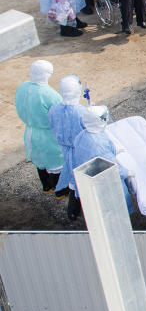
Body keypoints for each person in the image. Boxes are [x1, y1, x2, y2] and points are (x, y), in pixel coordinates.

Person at [15, 60, 67, 196]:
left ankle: (46, 187)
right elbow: (60, 114)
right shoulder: (49, 94)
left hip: (31, 131)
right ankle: (60, 191)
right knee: (56, 162)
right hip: (48, 134)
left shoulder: (23, 87)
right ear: (46, 74)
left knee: (40, 161)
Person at [72, 105, 134, 214]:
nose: (107, 120)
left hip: (90, 176)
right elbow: (114, 169)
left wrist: (113, 150)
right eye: (105, 118)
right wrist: (127, 172)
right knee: (117, 207)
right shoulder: (99, 145)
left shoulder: (82, 135)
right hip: (105, 181)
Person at [48, 75, 86, 219]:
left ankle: (73, 211)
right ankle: (77, 208)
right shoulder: (81, 111)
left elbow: (52, 126)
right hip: (81, 150)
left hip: (64, 149)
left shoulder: (53, 109)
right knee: (81, 178)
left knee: (72, 175)